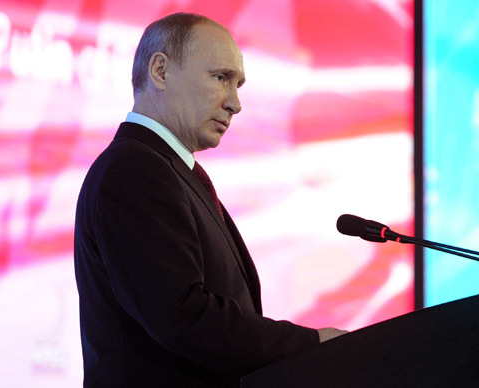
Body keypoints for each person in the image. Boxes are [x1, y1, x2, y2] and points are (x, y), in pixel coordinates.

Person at [74, 12, 346, 388]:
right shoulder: (135, 169)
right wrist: (313, 343)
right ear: (160, 71)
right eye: (220, 78)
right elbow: (181, 316)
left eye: (238, 85)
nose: (235, 103)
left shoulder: (169, 171)